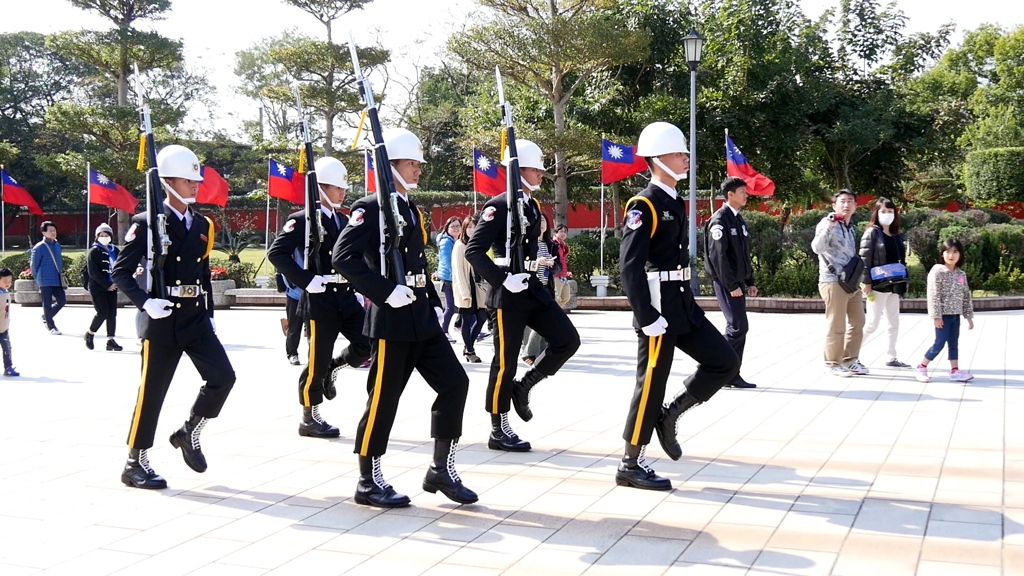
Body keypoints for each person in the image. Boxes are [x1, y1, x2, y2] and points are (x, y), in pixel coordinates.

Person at [334, 127, 477, 508]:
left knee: (455, 383)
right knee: (383, 401)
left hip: (420, 317)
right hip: (390, 320)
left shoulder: (409, 208)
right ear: (390, 165)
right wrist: (383, 291)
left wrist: (431, 299)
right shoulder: (370, 207)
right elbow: (343, 258)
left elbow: (415, 262)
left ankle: (441, 469)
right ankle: (368, 480)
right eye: (412, 163)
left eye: (418, 163)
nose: (418, 169)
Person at [616, 121, 739, 490]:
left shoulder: (674, 200)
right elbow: (630, 266)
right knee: (650, 384)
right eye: (678, 153)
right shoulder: (644, 204)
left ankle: (670, 415)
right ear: (657, 159)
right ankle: (630, 463)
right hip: (657, 308)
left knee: (725, 361)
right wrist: (645, 315)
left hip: (681, 303)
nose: (686, 158)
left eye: (685, 152)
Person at [112, 144, 236, 489]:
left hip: (195, 317)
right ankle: (135, 462)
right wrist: (145, 303)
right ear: (166, 182)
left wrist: (209, 312)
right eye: (187, 180)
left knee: (223, 377)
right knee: (152, 393)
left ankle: (189, 431)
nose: (195, 185)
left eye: (195, 180)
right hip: (162, 319)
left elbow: (203, 272)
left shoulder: (202, 223)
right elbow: (121, 272)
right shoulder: (147, 223)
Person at [465, 139, 581, 454]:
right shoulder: (498, 205)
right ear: (517, 170)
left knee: (567, 340)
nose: (541, 174)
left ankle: (524, 387)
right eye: (534, 169)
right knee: (505, 363)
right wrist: (503, 279)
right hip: (507, 293)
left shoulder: (531, 205)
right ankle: (498, 427)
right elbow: (474, 251)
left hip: (532, 288)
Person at [268, 156, 371, 439]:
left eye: (343, 188)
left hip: (346, 297)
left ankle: (334, 368)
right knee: (316, 362)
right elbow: (276, 254)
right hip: (320, 299)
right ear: (321, 188)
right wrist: (306, 280)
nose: (343, 192)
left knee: (367, 344)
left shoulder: (344, 220)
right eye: (338, 187)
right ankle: (309, 417)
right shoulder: (301, 219)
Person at [704, 176, 758, 389]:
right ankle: (716, 366)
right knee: (737, 326)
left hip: (737, 282)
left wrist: (750, 281)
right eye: (743, 192)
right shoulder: (720, 220)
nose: (746, 195)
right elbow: (719, 257)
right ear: (730, 195)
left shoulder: (737, 219)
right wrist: (731, 285)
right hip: (727, 283)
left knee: (738, 327)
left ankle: (730, 374)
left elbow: (743, 254)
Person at [811, 189, 867, 377]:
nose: (846, 204)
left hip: (851, 282)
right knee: (837, 325)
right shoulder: (827, 223)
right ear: (834, 205)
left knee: (858, 322)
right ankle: (832, 363)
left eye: (850, 201)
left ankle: (850, 359)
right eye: (842, 201)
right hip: (833, 281)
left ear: (855, 206)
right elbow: (817, 248)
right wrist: (830, 225)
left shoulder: (850, 227)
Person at [859, 197, 909, 368]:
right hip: (878, 286)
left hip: (894, 284)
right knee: (872, 324)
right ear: (877, 213)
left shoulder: (896, 235)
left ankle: (891, 356)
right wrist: (866, 282)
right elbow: (864, 259)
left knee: (893, 323)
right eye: (883, 211)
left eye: (890, 211)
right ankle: (850, 354)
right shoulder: (872, 233)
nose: (887, 214)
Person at [916, 239, 975, 383]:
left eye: (955, 252)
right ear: (942, 254)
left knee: (954, 343)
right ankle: (922, 366)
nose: (951, 255)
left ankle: (955, 371)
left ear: (960, 254)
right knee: (939, 343)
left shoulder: (961, 274)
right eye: (947, 251)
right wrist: (936, 316)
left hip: (955, 315)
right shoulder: (937, 271)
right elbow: (933, 294)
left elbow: (966, 295)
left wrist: (968, 316)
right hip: (943, 316)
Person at [521, 212, 559, 365]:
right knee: (530, 322)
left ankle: (537, 352)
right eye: (538, 221)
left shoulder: (552, 245)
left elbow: (558, 268)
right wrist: (537, 262)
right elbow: (521, 264)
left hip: (546, 287)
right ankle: (530, 353)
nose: (541, 224)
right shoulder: (526, 243)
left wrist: (552, 265)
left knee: (546, 320)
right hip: (530, 286)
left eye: (543, 220)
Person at [451, 214, 488, 363]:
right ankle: (470, 351)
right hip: (465, 287)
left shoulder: (478, 244)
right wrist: (464, 292)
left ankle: (468, 347)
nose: (472, 230)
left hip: (478, 287)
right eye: (469, 227)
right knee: (466, 320)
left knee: (482, 317)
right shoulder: (460, 245)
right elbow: (458, 271)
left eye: (475, 227)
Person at [85, 223, 123, 352]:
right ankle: (90, 333)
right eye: (101, 235)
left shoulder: (114, 250)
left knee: (112, 314)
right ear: (97, 237)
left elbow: (122, 263)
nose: (104, 237)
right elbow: (93, 272)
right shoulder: (94, 251)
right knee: (102, 313)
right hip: (98, 287)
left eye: (107, 235)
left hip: (113, 286)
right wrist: (107, 285)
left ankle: (110, 340)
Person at [31, 221, 66, 335]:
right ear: (44, 232)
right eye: (50, 230)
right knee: (47, 303)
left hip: (57, 279)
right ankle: (51, 326)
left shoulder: (57, 245)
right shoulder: (39, 247)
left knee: (62, 301)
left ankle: (46, 316)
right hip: (44, 280)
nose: (53, 232)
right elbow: (34, 265)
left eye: (54, 230)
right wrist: (38, 279)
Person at [436, 216, 461, 342]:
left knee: (461, 306)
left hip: (454, 278)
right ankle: (443, 331)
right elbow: (447, 261)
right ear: (447, 228)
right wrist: (457, 276)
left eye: (458, 226)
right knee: (451, 308)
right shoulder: (446, 242)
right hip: (449, 279)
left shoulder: (457, 241)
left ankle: (460, 326)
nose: (456, 228)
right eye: (453, 226)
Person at [0, 267, 18, 377]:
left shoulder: (6, 292)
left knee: (7, 348)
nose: (7, 283)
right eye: (5, 281)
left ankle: (8, 367)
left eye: (10, 281)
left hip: (4, 327)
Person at [552, 224, 572, 309]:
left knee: (566, 297)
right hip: (556, 275)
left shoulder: (563, 245)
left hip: (563, 274)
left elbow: (563, 260)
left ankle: (555, 311)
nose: (563, 234)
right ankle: (554, 312)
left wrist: (566, 272)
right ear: (555, 233)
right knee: (556, 297)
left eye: (565, 232)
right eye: (561, 231)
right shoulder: (553, 244)